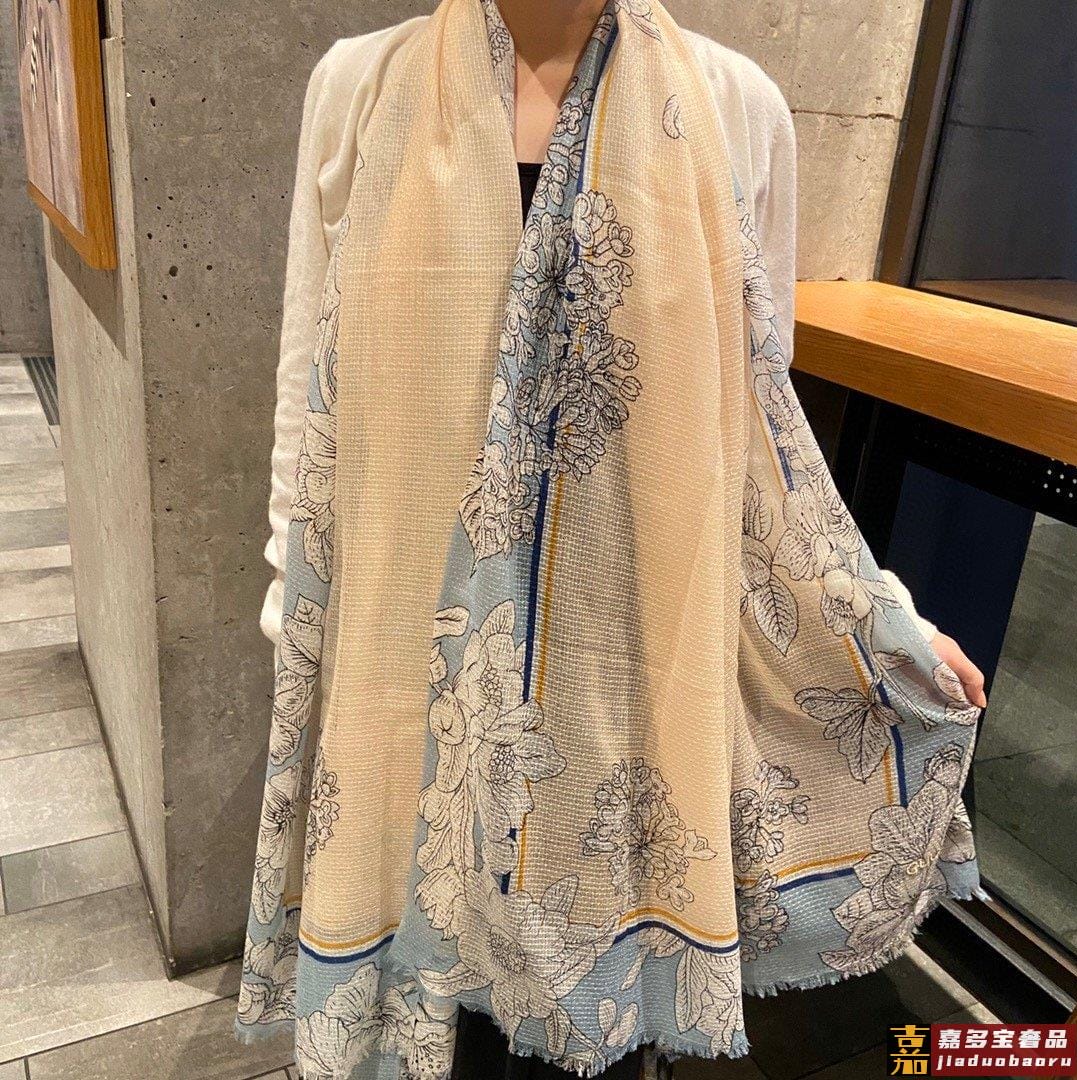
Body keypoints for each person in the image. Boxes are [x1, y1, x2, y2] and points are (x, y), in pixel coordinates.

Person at [237, 3, 987, 1077]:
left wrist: (879, 617)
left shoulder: (736, 106)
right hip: (404, 650)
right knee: (435, 1021)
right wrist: (295, 612)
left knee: (589, 1034)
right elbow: (306, 382)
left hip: (625, 658)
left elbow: (755, 432)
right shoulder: (359, 86)